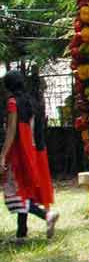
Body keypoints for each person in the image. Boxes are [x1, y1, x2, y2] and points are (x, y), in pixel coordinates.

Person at [1, 69, 58, 243]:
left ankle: (46, 215)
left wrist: (2, 155)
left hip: (18, 153)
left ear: (8, 86)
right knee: (24, 190)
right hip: (34, 151)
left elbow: (11, 131)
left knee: (15, 194)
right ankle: (21, 234)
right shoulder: (32, 101)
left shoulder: (12, 102)